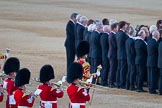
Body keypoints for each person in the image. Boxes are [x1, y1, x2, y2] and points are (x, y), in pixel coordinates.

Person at [116, 21, 129, 89]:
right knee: (122, 70)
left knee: (119, 69)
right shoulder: (123, 34)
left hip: (119, 53)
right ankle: (122, 83)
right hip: (123, 54)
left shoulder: (118, 33)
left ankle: (118, 82)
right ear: (123, 26)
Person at [125, 26, 136, 90]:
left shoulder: (127, 40)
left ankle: (127, 85)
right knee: (132, 72)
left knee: (129, 72)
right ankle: (131, 86)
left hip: (128, 58)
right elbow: (133, 51)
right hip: (132, 59)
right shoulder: (132, 41)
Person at [108, 22, 118, 88]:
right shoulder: (112, 35)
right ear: (114, 28)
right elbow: (115, 45)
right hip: (113, 54)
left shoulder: (111, 34)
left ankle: (111, 82)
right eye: (117, 28)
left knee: (112, 68)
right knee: (112, 69)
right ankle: (111, 82)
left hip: (111, 54)